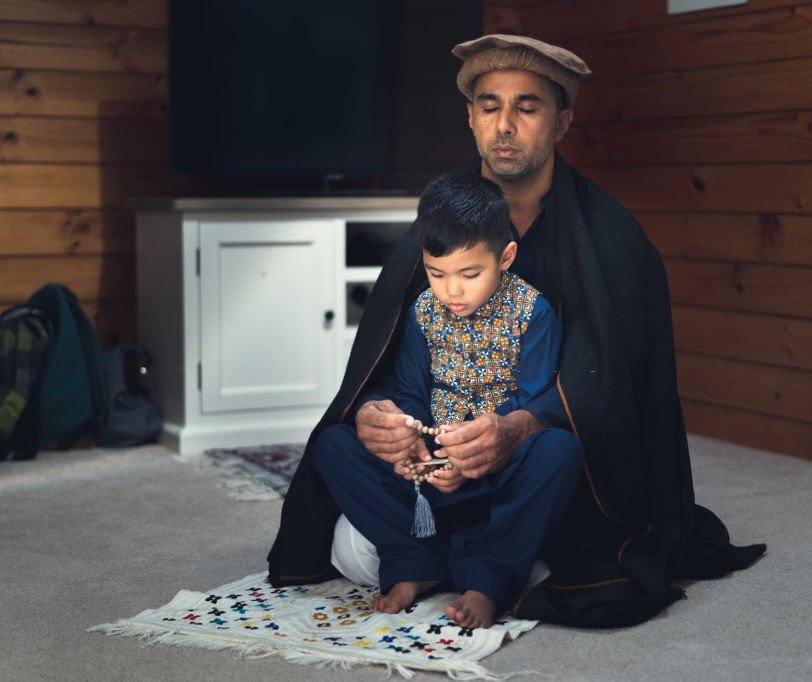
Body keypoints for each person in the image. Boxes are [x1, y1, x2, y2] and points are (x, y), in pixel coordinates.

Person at [268, 34, 766, 628]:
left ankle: (482, 560)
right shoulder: (437, 226)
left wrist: (519, 428)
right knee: (346, 529)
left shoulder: (616, 241)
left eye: (527, 107)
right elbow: (388, 368)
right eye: (489, 106)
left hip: (542, 478)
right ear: (470, 119)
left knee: (564, 512)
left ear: (561, 121)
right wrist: (378, 417)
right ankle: (465, 559)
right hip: (435, 474)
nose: (505, 124)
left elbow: (619, 392)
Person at [312, 172, 582, 628]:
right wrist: (410, 446)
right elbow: (412, 394)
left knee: (559, 451)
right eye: (437, 273)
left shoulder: (532, 313)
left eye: (470, 274)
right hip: (431, 479)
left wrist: (478, 454)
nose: (452, 291)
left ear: (506, 258)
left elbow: (532, 404)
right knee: (332, 445)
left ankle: (489, 578)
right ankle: (417, 562)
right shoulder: (423, 311)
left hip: (497, 473)